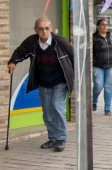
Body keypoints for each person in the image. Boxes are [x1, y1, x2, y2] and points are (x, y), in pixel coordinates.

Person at [7, 16, 74, 152]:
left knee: (57, 107)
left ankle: (61, 138)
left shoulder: (60, 42)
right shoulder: (32, 42)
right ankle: (53, 138)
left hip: (60, 81)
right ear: (35, 30)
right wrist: (13, 62)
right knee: (48, 112)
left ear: (51, 28)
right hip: (44, 81)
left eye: (46, 28)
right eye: (41, 29)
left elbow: (74, 57)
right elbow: (20, 51)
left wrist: (79, 78)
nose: (44, 32)